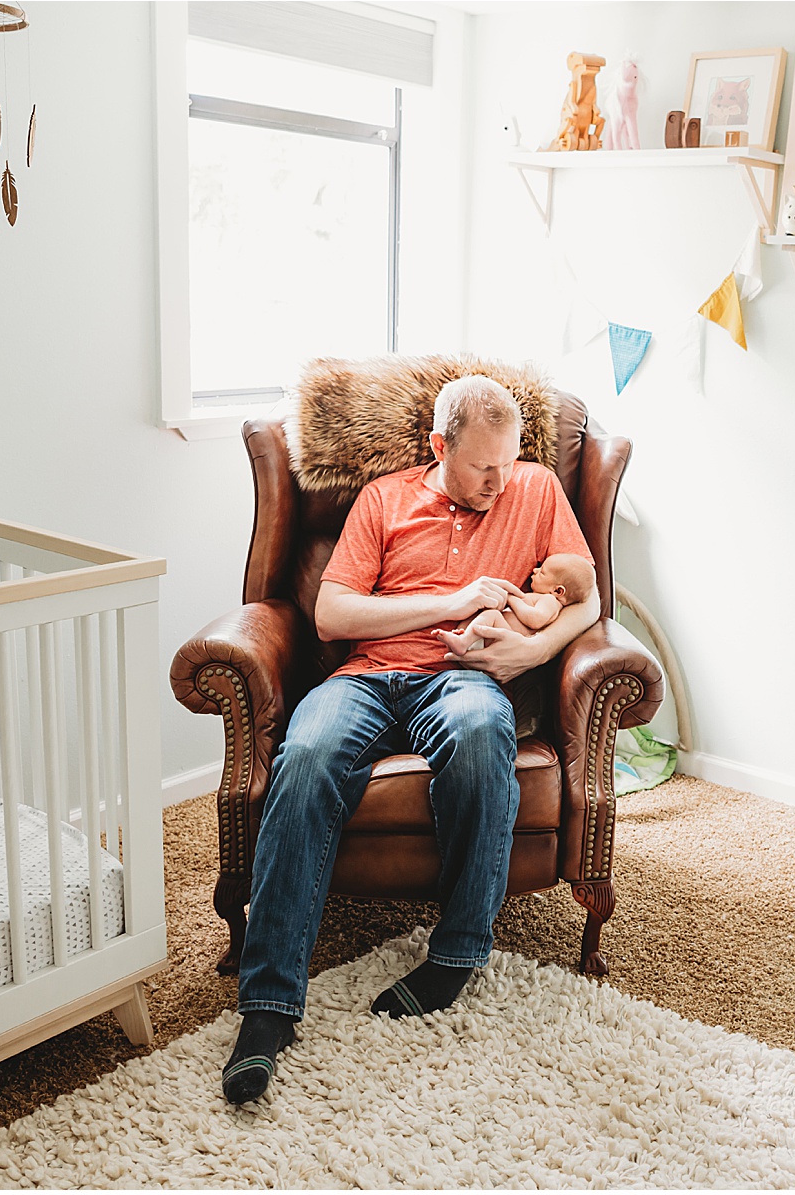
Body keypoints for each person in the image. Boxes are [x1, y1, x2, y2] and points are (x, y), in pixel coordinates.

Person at [222, 375, 599, 1105]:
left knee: (483, 728)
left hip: (462, 677)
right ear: (439, 446)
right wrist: (454, 601)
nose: (500, 479)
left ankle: (456, 953)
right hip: (366, 676)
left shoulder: (537, 488)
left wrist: (531, 651)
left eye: (511, 459)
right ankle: (267, 1008)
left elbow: (589, 599)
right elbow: (331, 614)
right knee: (303, 757)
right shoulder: (385, 497)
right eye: (482, 466)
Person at [432, 553, 595, 657]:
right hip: (495, 636)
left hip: (505, 639)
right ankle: (464, 637)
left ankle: (462, 642)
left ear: (558, 591)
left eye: (542, 572)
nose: (535, 570)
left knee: (493, 615)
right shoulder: (543, 597)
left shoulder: (550, 601)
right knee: (486, 614)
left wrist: (512, 598)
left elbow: (535, 620)